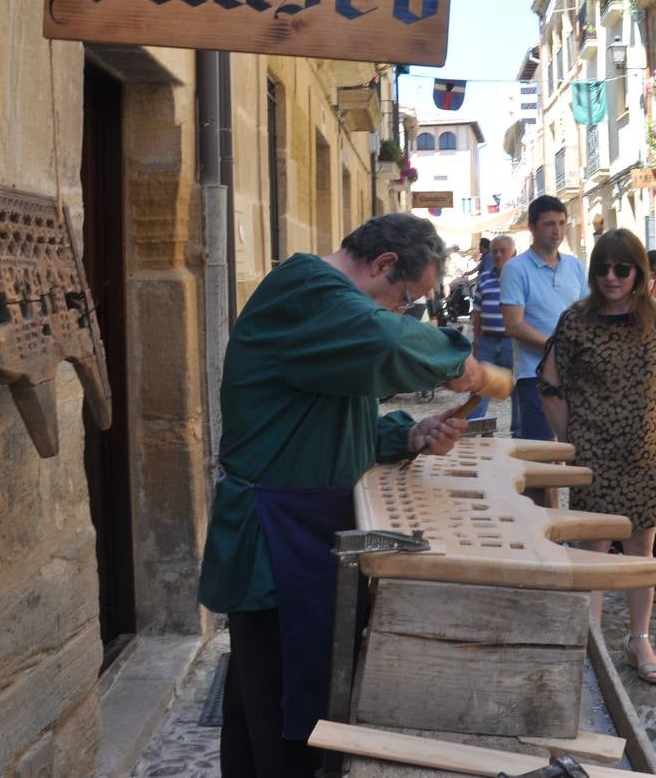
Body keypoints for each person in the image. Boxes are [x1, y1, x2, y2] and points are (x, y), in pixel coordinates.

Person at [196, 214, 484, 777]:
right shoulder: (307, 293)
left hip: (304, 533)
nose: (402, 312)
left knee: (274, 707)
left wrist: (409, 434)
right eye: (407, 299)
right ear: (381, 266)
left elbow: (325, 420)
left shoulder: (328, 315)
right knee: (283, 714)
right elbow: (383, 340)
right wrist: (458, 359)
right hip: (273, 546)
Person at [538, 229, 656, 683]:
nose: (611, 276)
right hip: (592, 455)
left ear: (638, 271)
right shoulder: (575, 320)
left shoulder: (653, 319)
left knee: (641, 549)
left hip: (643, 452)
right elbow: (549, 384)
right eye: (603, 268)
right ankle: (591, 643)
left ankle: (639, 640)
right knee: (593, 549)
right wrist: (573, 440)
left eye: (622, 268)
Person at [501, 195, 587, 441]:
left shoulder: (575, 266)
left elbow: (587, 314)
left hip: (576, 372)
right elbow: (514, 325)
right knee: (541, 454)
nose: (557, 230)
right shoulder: (515, 269)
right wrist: (556, 347)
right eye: (549, 224)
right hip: (534, 375)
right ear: (532, 227)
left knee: (579, 449)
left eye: (561, 223)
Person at [468, 234, 518, 432]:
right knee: (479, 385)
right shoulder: (485, 279)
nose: (497, 255)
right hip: (488, 340)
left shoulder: (519, 278)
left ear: (513, 254)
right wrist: (476, 340)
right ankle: (471, 429)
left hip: (511, 342)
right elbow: (478, 313)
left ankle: (519, 433)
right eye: (494, 251)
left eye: (502, 251)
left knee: (518, 388)